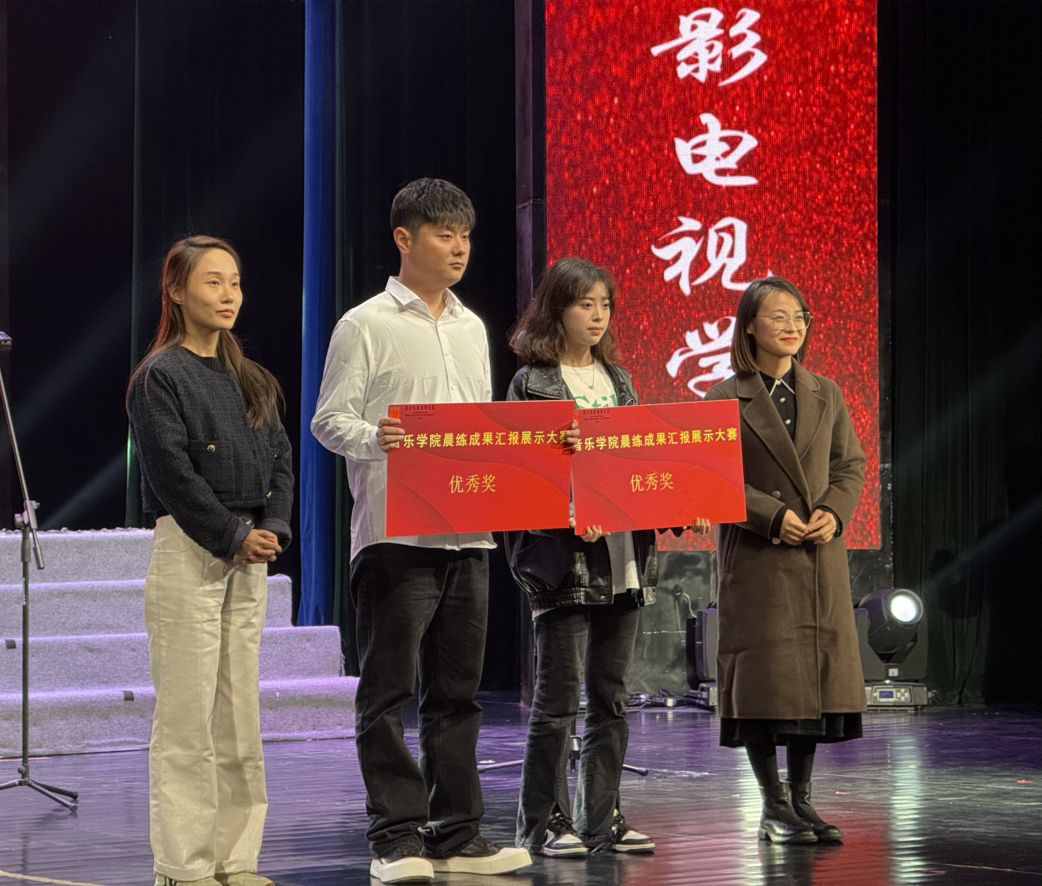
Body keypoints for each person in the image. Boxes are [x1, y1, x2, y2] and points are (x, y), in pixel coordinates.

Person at [311, 178, 532, 884]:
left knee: (457, 694)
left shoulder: (471, 326)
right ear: (404, 239)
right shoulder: (365, 324)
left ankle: (458, 834)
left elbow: (479, 427)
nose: (460, 247)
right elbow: (329, 420)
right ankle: (395, 837)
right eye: (444, 234)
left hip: (468, 532)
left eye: (465, 235)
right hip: (393, 534)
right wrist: (380, 438)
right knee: (387, 694)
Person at [504, 257, 711, 857]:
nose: (597, 316)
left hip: (625, 558)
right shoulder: (532, 382)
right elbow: (521, 478)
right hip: (563, 564)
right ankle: (545, 823)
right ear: (557, 309)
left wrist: (681, 506)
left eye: (605, 305)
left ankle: (602, 817)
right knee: (557, 702)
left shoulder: (618, 378)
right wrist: (565, 490)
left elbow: (635, 465)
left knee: (611, 698)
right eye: (584, 304)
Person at [128, 236, 293, 886]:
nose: (229, 295)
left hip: (250, 552)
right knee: (187, 716)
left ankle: (236, 859)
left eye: (235, 282)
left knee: (238, 714)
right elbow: (172, 475)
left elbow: (280, 463)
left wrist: (271, 527)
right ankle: (185, 865)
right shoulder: (160, 376)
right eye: (213, 282)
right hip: (193, 547)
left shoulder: (251, 378)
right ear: (176, 290)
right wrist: (231, 535)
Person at [705, 275, 867, 844]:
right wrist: (772, 516)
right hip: (760, 556)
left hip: (818, 555)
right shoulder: (724, 398)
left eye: (799, 316)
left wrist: (834, 512)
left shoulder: (826, 391)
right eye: (778, 316)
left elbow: (850, 466)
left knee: (811, 686)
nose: (792, 326)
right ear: (749, 325)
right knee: (765, 685)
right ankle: (772, 806)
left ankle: (801, 801)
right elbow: (715, 478)